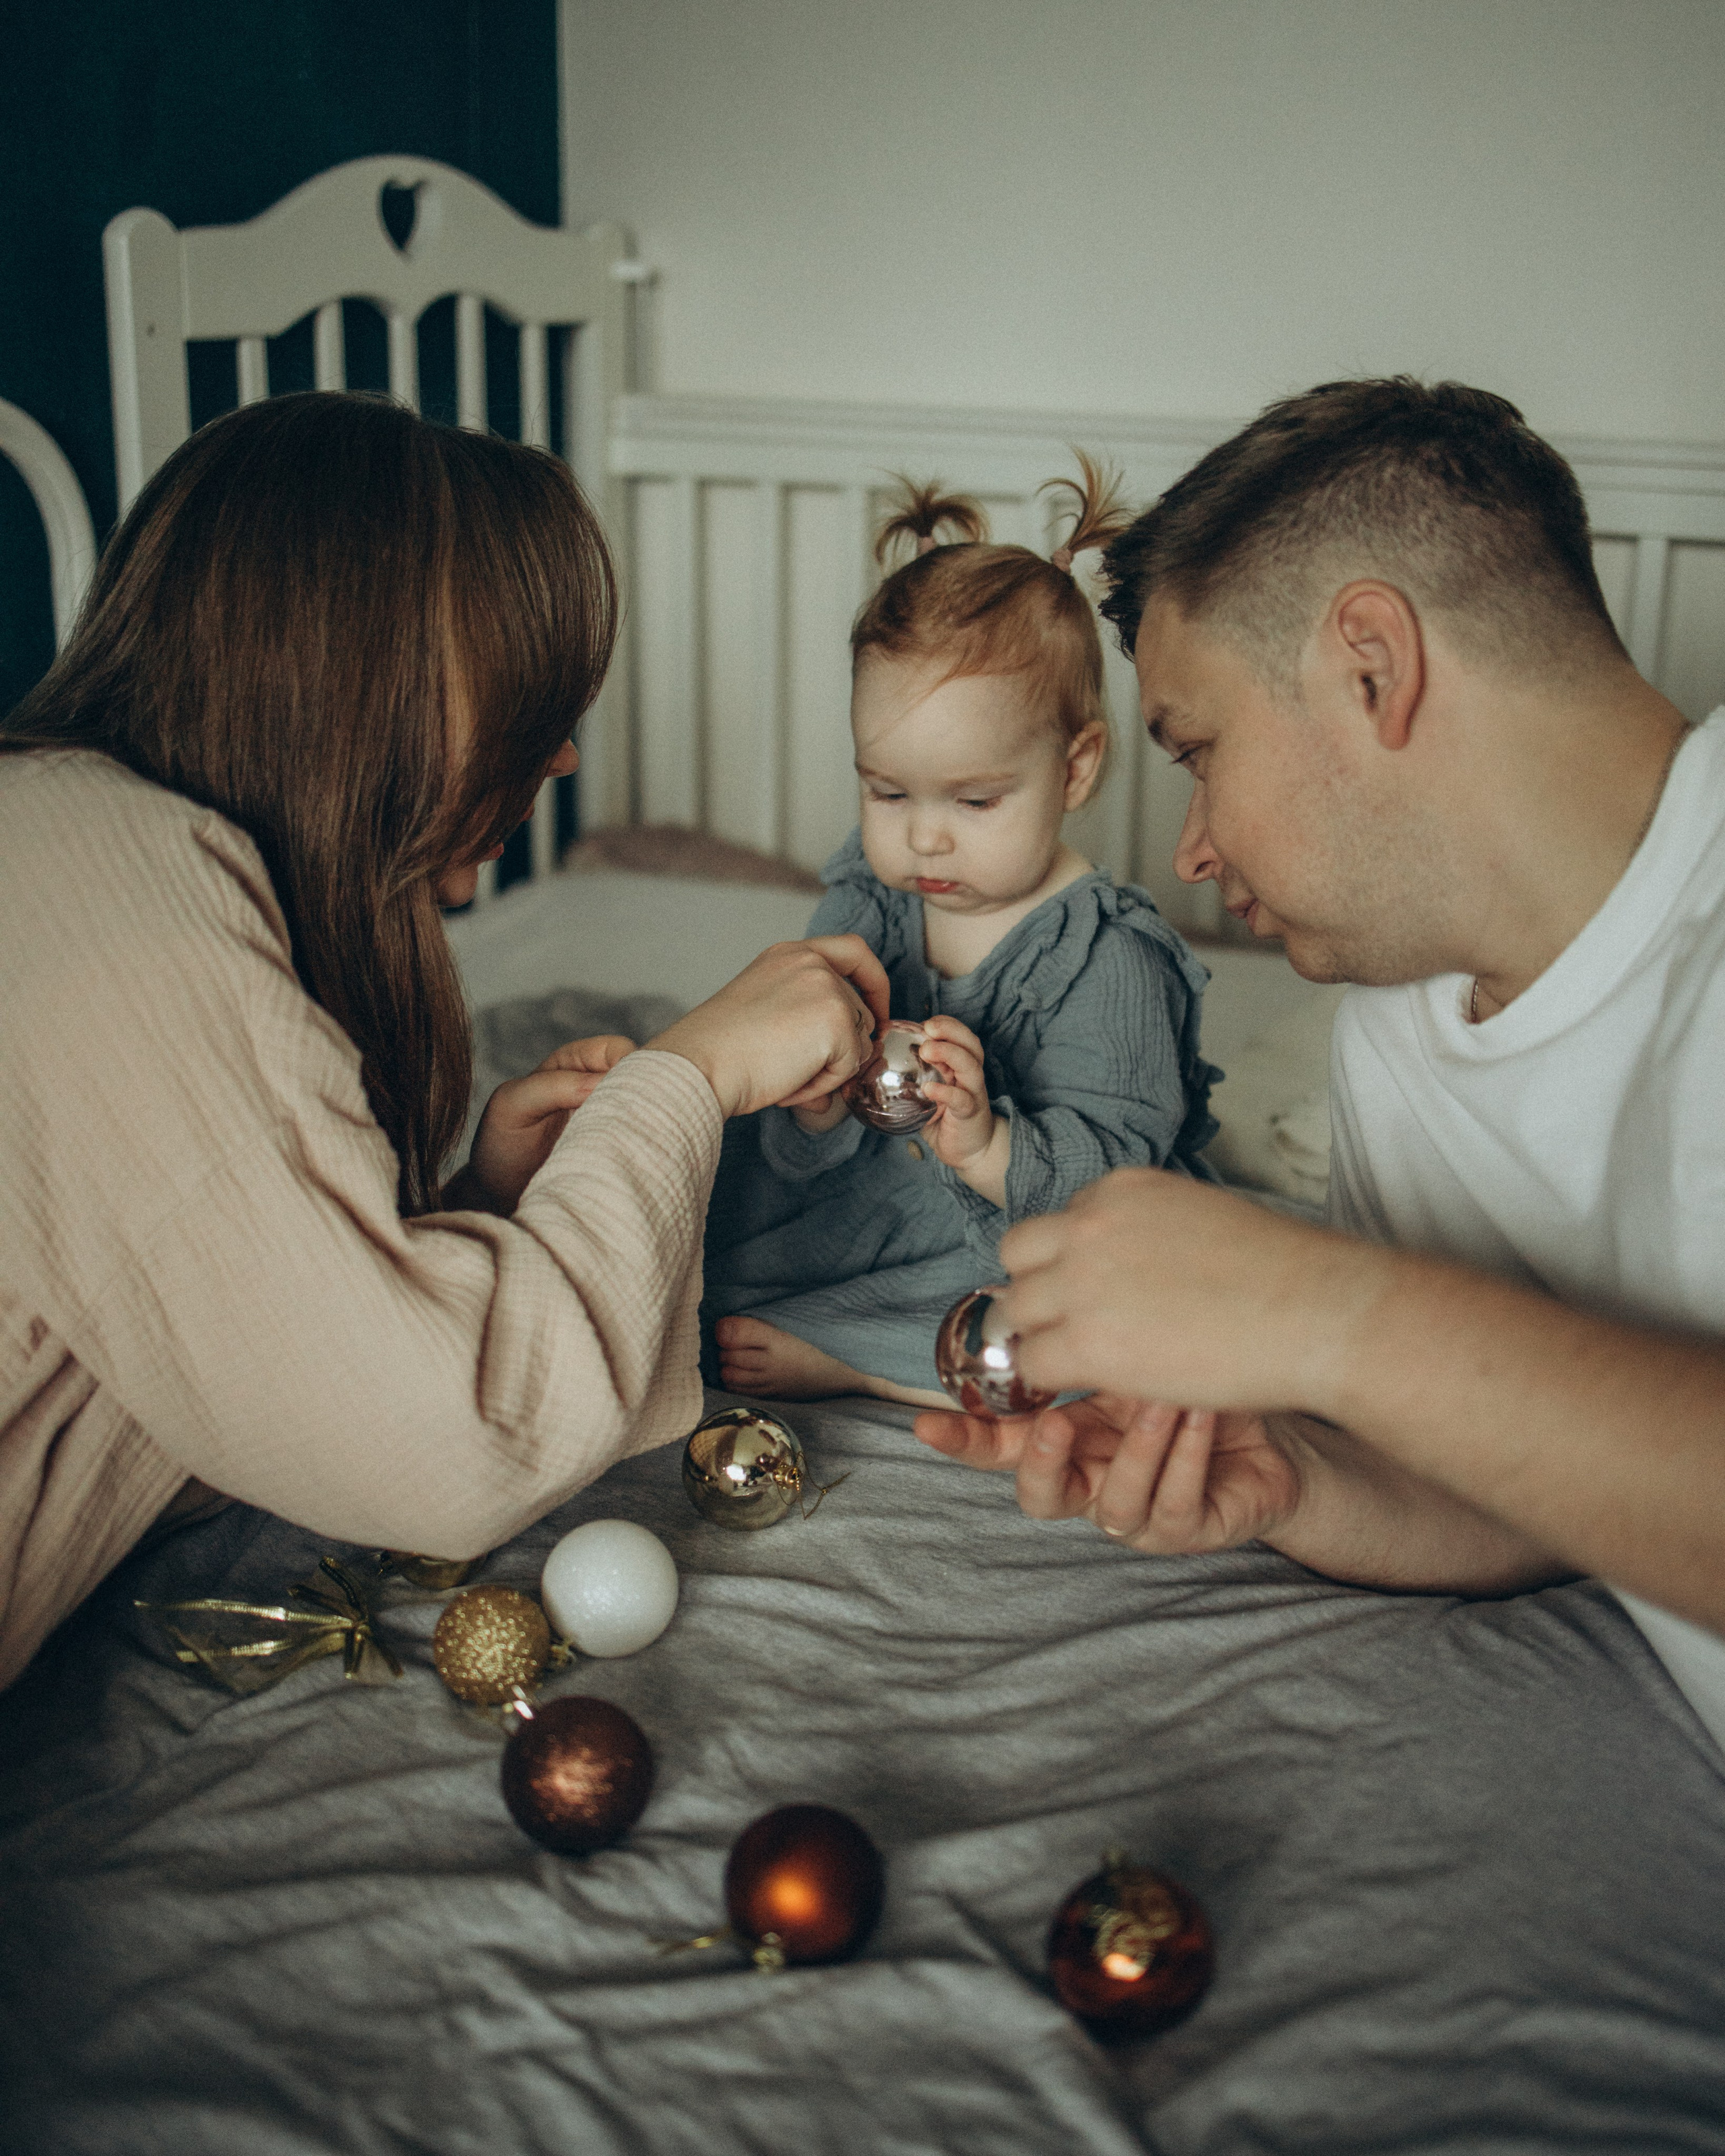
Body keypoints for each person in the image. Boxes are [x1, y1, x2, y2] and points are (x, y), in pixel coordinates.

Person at [0, 391, 889, 1691]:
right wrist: (683, 1079)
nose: (565, 753)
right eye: (525, 704)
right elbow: (455, 1434)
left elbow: (221, 1382)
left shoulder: (96, 857)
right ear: (356, 678)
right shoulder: (100, 880)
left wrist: (468, 1217)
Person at [915, 377, 1725, 1744]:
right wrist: (1293, 1477)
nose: (1186, 849)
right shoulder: (1395, 1028)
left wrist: (1330, 1313)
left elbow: (1401, 1346)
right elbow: (1538, 1484)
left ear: (1370, 664)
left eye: (1198, 749)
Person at [703, 467, 1220, 1406]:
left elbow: (1121, 1165)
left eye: (975, 800)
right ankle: (828, 1316)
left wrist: (985, 1146)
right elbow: (791, 1082)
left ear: (1076, 769)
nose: (925, 835)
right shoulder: (870, 898)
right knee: (691, 1244)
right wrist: (815, 1106)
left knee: (1111, 1323)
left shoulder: (1109, 957)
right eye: (887, 792)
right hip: (850, 1206)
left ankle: (867, 1360)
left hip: (1000, 1234)